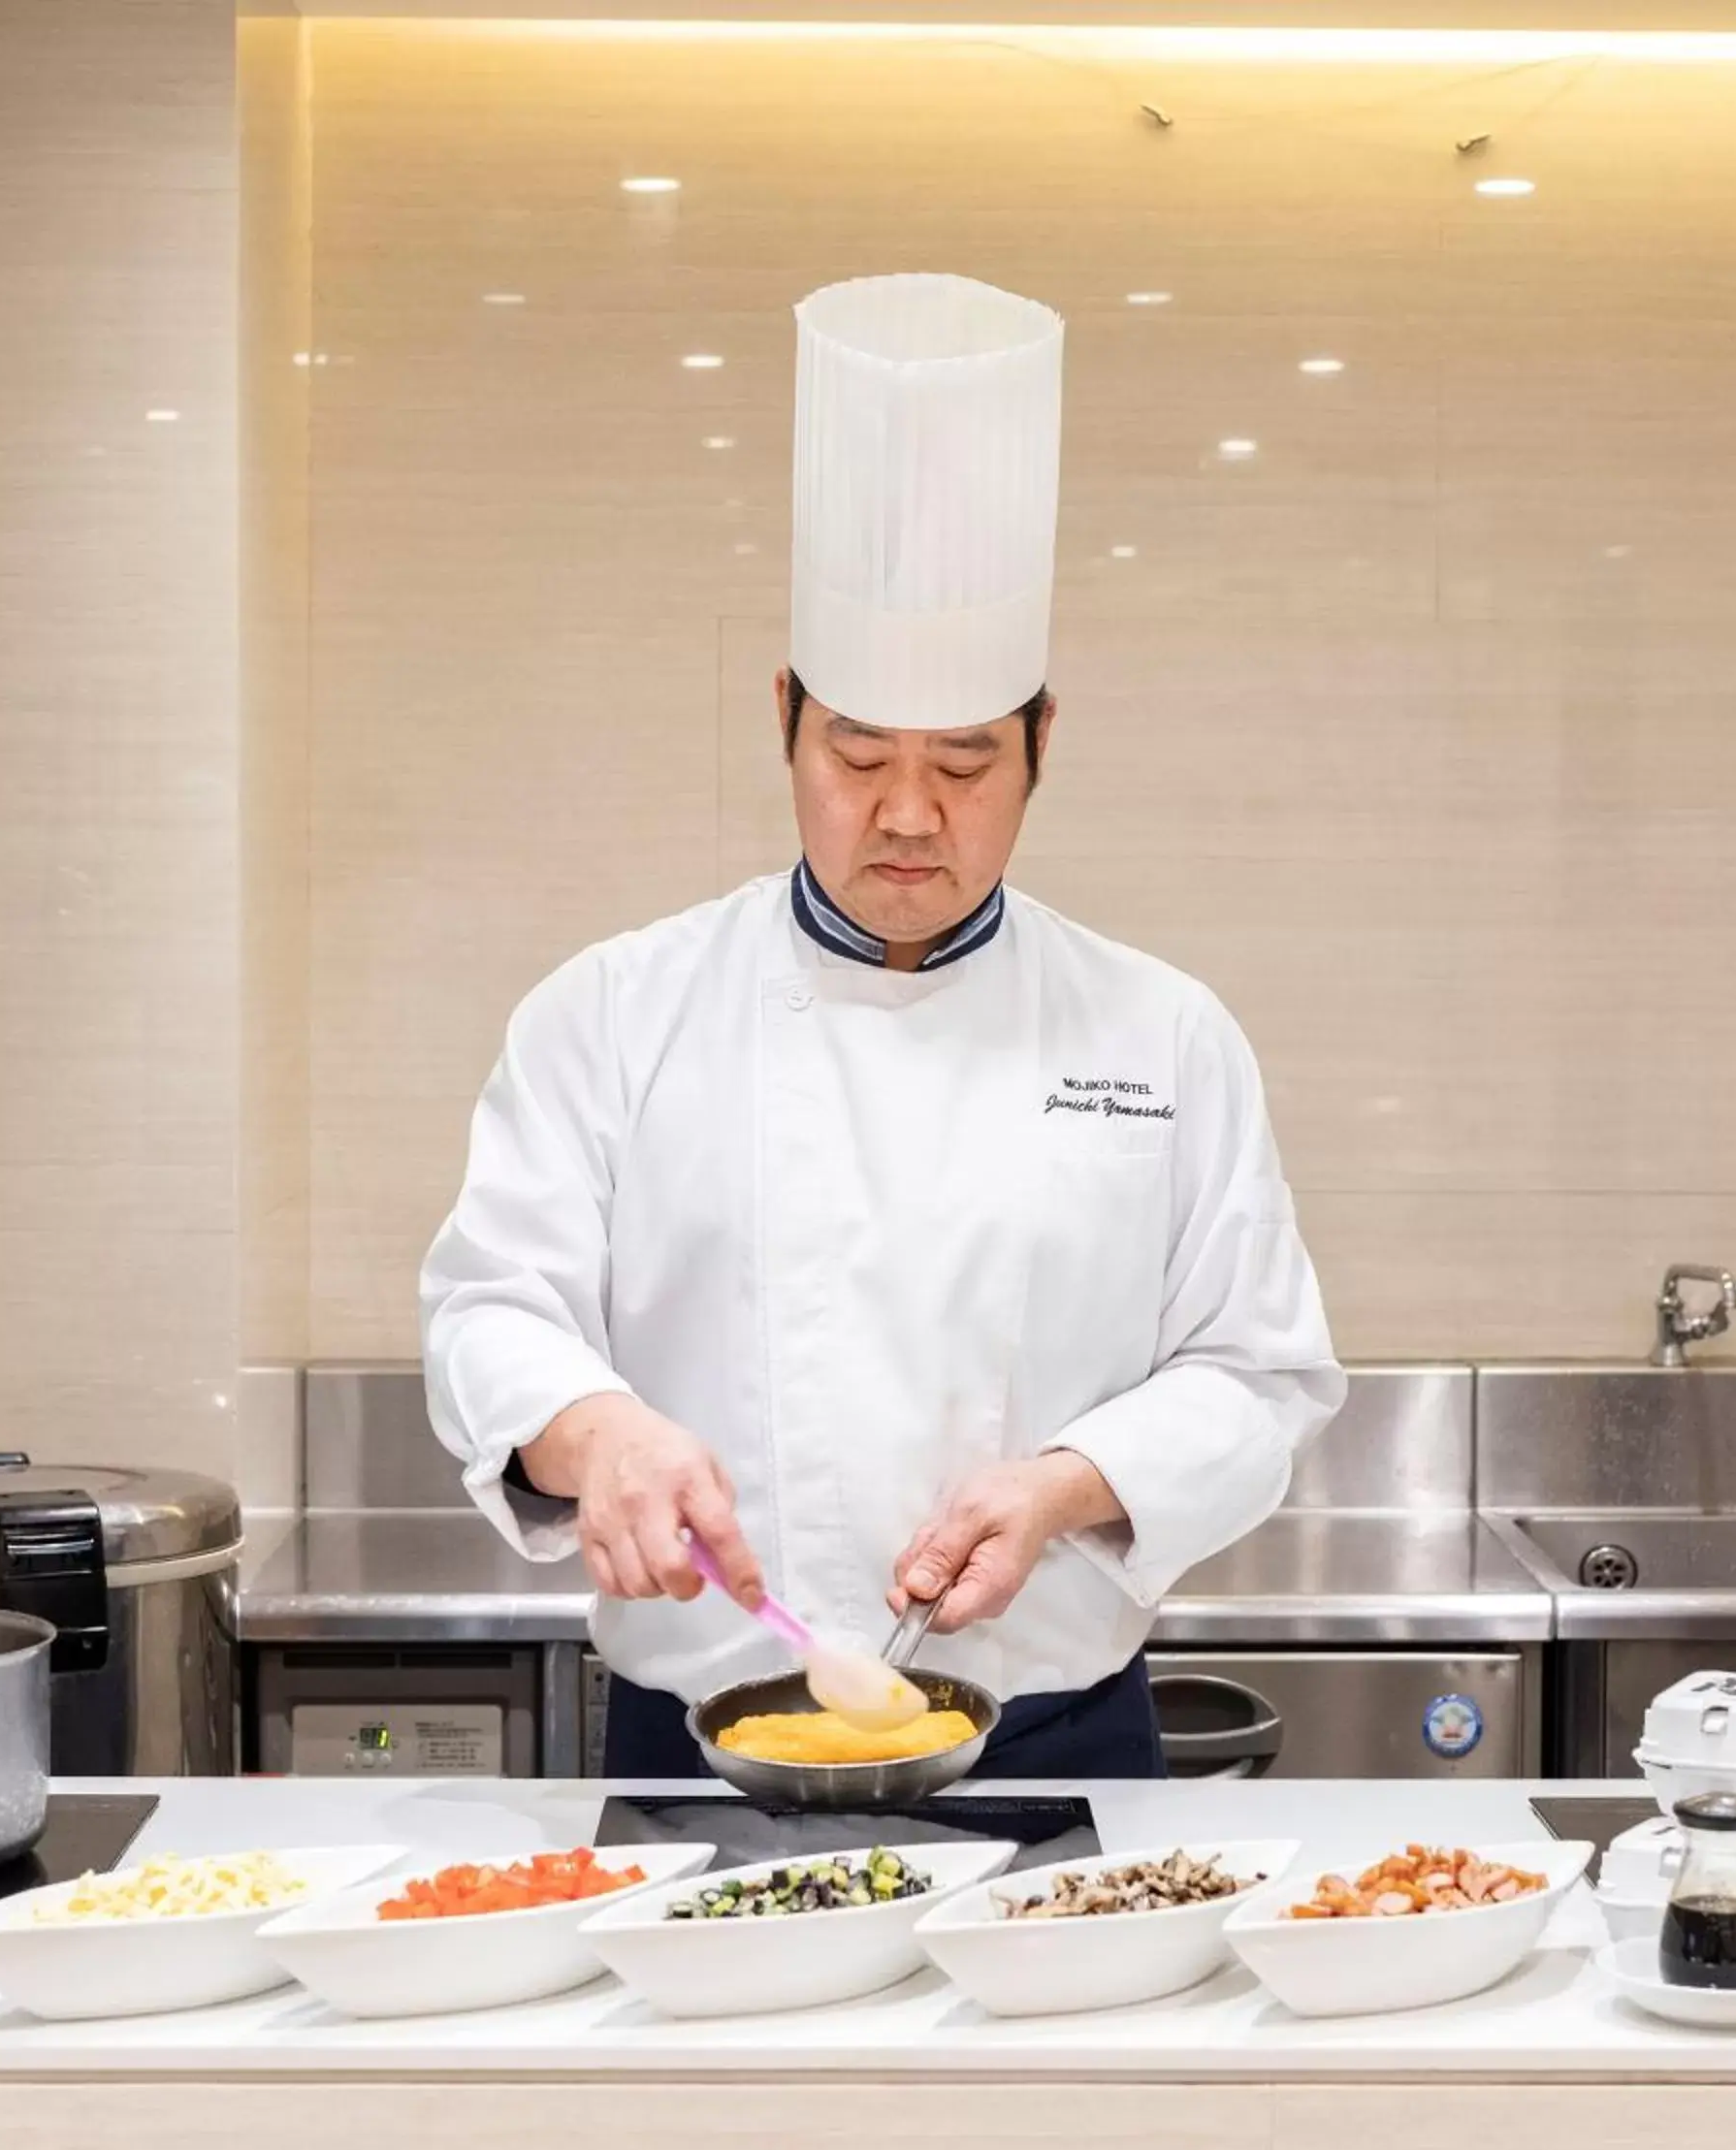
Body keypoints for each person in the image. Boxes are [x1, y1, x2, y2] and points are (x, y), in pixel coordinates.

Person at [422, 272, 1342, 1779]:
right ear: (783, 713)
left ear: (1044, 740)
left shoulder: (1163, 1033)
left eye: (968, 762)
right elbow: (487, 1311)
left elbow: (1260, 1374)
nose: (909, 816)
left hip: (1057, 1753)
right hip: (701, 1751)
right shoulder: (614, 1012)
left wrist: (1071, 1481)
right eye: (857, 754)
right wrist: (598, 1433)